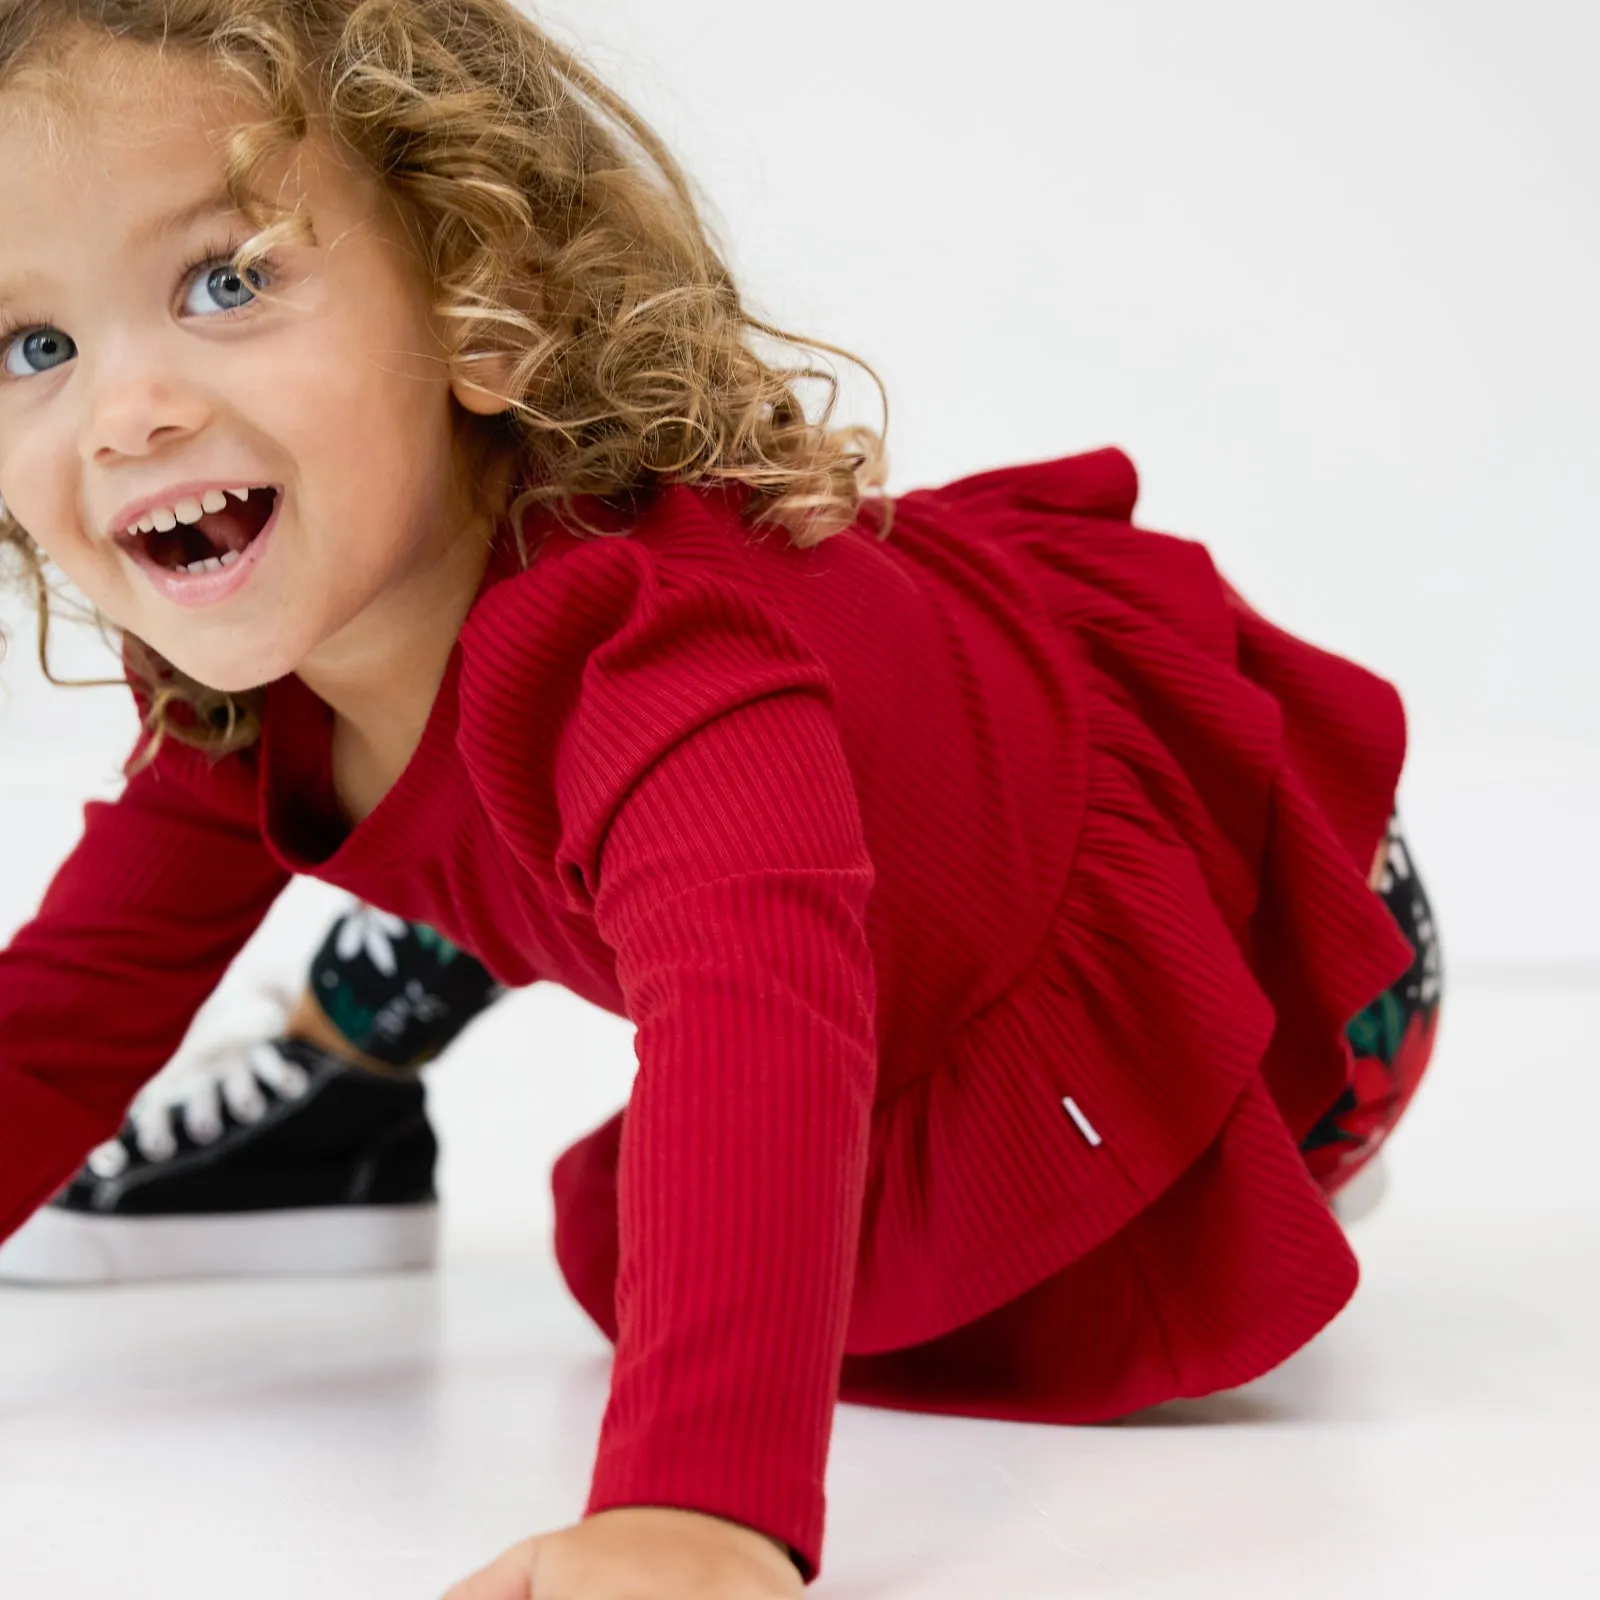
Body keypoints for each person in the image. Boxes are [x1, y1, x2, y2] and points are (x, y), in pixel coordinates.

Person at [0, 3, 1443, 1596]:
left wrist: (691, 1510)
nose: (125, 414)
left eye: (229, 280)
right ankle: (426, 961)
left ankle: (1256, 1115)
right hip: (790, 807)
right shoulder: (240, 688)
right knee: (615, 1082)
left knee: (742, 1244)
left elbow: (758, 1026)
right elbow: (64, 1012)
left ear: (484, 311)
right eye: (35, 346)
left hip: (1267, 917)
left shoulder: (668, 665)